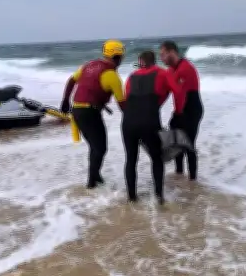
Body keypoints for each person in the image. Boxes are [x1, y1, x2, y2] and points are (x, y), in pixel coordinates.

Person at [60, 40, 126, 188]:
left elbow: (71, 80)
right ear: (116, 57)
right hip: (89, 113)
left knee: (95, 146)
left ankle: (95, 175)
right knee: (100, 148)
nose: (122, 60)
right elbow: (122, 104)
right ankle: (91, 183)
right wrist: (134, 117)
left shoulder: (88, 65)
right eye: (121, 57)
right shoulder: (112, 76)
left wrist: (65, 100)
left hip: (77, 111)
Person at [122, 50, 173, 204]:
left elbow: (126, 98)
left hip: (128, 122)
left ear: (141, 61)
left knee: (131, 159)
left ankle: (132, 197)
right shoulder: (162, 73)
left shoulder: (131, 76)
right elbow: (174, 90)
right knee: (157, 158)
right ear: (154, 60)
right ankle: (159, 197)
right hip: (149, 121)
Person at [159, 40, 203, 180]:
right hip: (180, 111)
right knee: (176, 145)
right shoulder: (170, 70)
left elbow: (180, 93)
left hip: (192, 110)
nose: (161, 58)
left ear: (172, 52)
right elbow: (165, 92)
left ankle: (192, 180)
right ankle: (179, 175)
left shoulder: (186, 68)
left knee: (188, 145)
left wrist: (178, 116)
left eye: (163, 54)